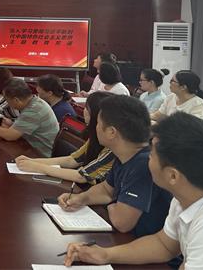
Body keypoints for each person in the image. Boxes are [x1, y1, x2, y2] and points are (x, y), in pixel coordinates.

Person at [64, 113, 203, 269]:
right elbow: (164, 245)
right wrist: (106, 255)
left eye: (152, 153)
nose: (147, 157)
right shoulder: (189, 196)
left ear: (173, 176)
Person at [58, 95, 171, 236]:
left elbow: (122, 223)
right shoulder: (124, 155)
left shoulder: (144, 164)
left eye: (98, 123)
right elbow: (106, 190)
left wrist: (111, 204)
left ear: (111, 132)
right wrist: (81, 198)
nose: (96, 127)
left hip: (139, 242)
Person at [14, 91, 116, 184]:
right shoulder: (95, 136)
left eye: (87, 108)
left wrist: (38, 167)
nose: (84, 111)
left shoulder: (113, 148)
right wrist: (32, 161)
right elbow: (72, 160)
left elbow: (82, 176)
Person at [0, 78, 59, 157]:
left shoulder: (34, 110)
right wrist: (11, 124)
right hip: (29, 147)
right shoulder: (33, 102)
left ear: (16, 100)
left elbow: (10, 136)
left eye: (7, 100)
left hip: (40, 154)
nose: (8, 104)